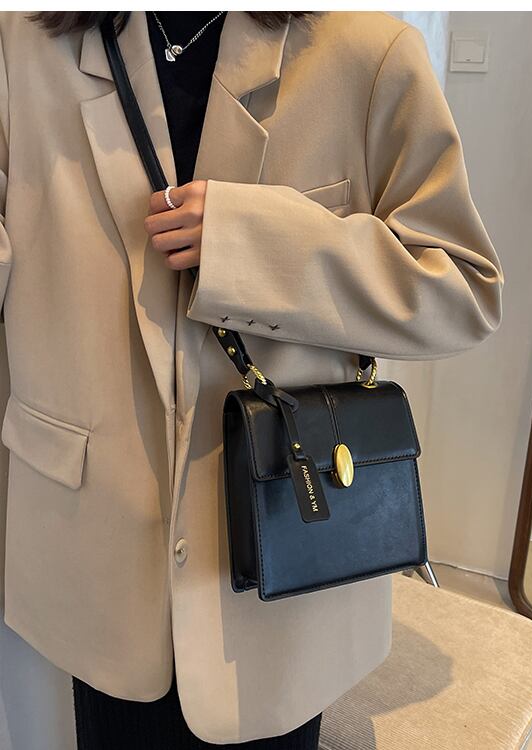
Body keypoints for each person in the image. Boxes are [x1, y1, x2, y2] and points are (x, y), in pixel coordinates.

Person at [0, 9, 504, 749]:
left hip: (284, 553)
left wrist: (253, 243)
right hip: (96, 553)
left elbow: (460, 289)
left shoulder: (367, 52)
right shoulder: (23, 47)